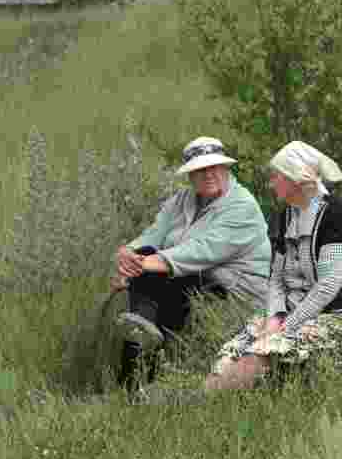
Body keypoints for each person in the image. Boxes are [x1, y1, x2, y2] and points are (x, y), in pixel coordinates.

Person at [205, 141, 342, 391]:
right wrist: (275, 317)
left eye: (276, 176)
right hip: (292, 315)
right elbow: (276, 278)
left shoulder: (336, 217)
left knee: (262, 351)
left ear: (295, 178)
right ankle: (205, 396)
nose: (271, 183)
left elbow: (327, 287)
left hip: (339, 316)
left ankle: (208, 398)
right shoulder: (286, 216)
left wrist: (287, 326)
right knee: (234, 349)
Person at [112, 136, 271, 394]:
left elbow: (200, 252)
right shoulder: (182, 200)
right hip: (193, 279)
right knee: (151, 265)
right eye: (200, 170)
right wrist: (127, 254)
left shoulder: (243, 207)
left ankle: (135, 374)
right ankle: (139, 364)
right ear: (190, 175)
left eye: (214, 167)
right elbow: (154, 234)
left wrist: (139, 267)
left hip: (236, 294)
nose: (208, 174)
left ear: (225, 169)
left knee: (162, 281)